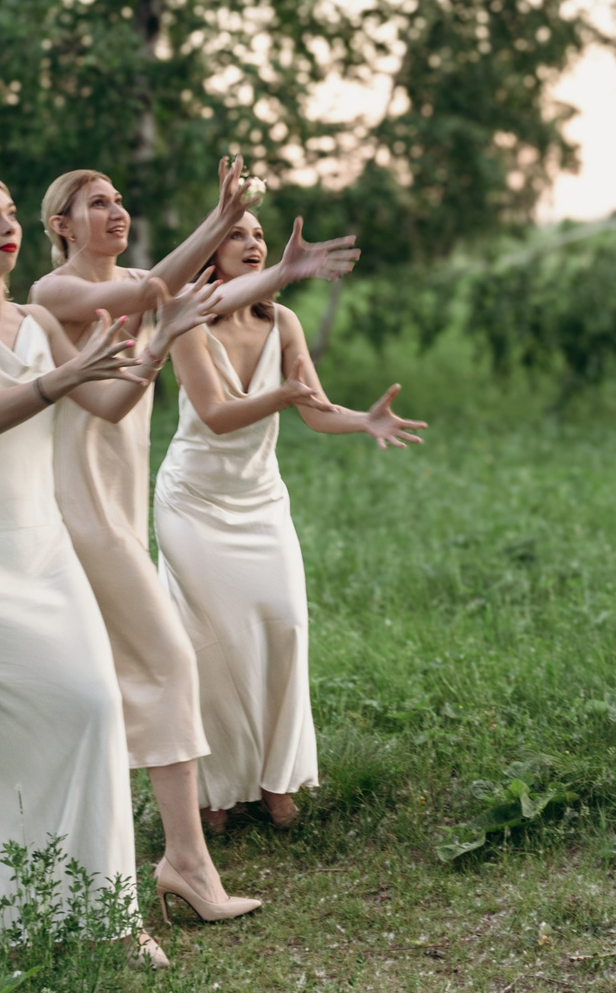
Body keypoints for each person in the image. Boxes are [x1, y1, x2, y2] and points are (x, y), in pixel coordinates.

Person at [0, 174, 205, 962]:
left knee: (92, 707)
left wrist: (160, 335)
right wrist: (67, 372)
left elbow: (112, 402)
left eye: (12, 212)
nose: (6, 224)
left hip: (42, 549)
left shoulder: (33, 320)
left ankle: (107, 918)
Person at [28, 158, 359, 921]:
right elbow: (159, 301)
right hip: (75, 510)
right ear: (60, 224)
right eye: (98, 202)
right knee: (166, 663)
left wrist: (279, 274)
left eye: (119, 200)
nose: (116, 211)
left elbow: (196, 296)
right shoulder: (57, 293)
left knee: (112, 678)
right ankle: (178, 859)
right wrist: (219, 221)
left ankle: (148, 850)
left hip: (117, 508)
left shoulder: (139, 286)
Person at [156, 208, 427, 831]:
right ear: (209, 251)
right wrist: (280, 395)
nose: (252, 244)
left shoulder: (283, 319)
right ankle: (216, 790)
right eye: (236, 235)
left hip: (260, 501)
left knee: (283, 629)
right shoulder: (187, 320)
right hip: (193, 501)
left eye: (259, 235)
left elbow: (315, 409)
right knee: (209, 645)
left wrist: (363, 419)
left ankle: (275, 780)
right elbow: (218, 414)